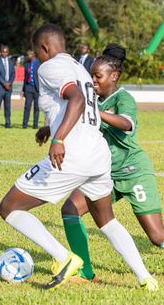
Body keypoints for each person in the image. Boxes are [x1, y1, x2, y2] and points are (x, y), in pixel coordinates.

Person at [0, 23, 158, 291]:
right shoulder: (80, 69)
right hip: (98, 155)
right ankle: (145, 277)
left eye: (37, 52)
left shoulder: (49, 67)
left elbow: (76, 100)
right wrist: (50, 128)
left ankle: (64, 258)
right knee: (106, 220)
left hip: (73, 154)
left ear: (44, 47)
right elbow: (83, 103)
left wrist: (58, 138)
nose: (36, 58)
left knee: (9, 207)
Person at [61, 44, 164, 282]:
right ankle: (85, 271)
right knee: (70, 210)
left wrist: (97, 112)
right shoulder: (91, 100)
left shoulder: (123, 98)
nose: (93, 81)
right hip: (103, 174)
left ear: (114, 76)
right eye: (91, 77)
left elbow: (126, 123)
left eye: (98, 76)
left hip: (133, 171)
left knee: (157, 236)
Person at [0, 45, 15, 128]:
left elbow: (13, 74)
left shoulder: (11, 61)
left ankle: (8, 123)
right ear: (0, 52)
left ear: (8, 53)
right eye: (3, 52)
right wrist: (4, 83)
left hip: (8, 88)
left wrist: (9, 83)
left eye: (6, 52)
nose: (4, 53)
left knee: (7, 106)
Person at [21, 50, 40, 129]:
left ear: (33, 55)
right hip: (28, 87)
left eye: (30, 55)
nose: (28, 56)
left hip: (36, 88)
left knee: (36, 108)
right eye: (27, 55)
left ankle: (35, 125)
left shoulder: (39, 63)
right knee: (27, 106)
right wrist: (23, 89)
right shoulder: (26, 64)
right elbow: (25, 77)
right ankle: (24, 124)